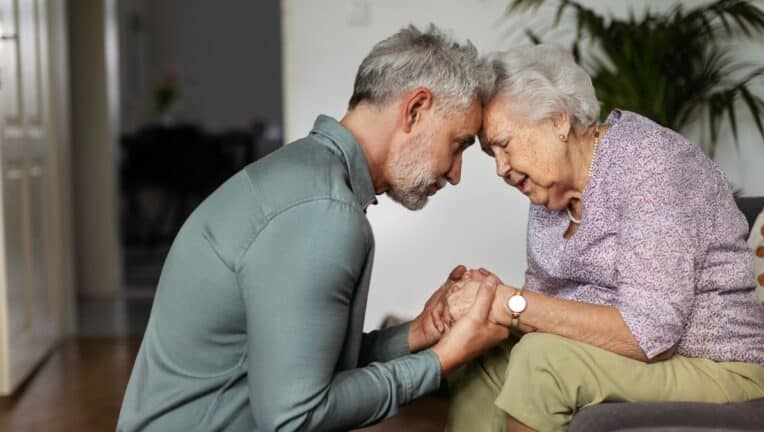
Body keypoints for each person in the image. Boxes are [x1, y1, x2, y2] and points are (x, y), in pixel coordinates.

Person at [116, 25, 509, 432]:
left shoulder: (304, 178)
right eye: (459, 144)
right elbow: (296, 417)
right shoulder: (322, 212)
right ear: (415, 110)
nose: (456, 173)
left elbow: (304, 367)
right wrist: (441, 361)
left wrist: (418, 334)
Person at [444, 44, 764, 432]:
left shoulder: (651, 164)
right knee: (485, 356)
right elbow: (541, 309)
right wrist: (487, 301)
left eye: (504, 145)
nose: (501, 168)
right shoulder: (551, 193)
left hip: (719, 366)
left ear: (558, 121)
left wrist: (511, 302)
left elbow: (650, 334)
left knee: (542, 361)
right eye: (490, 154)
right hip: (634, 360)